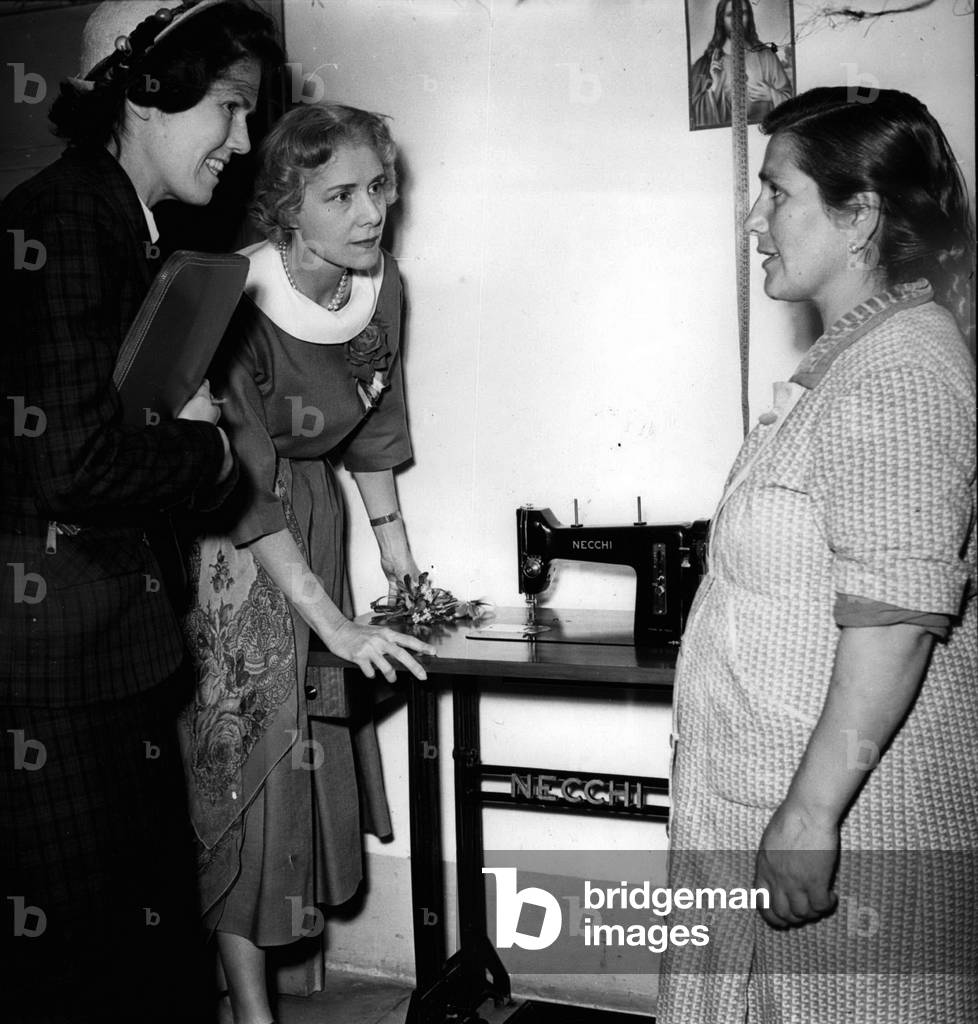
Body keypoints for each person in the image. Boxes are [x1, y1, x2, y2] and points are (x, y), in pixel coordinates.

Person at [658, 88, 976, 1021]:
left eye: (776, 193)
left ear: (860, 215)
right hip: (768, 792)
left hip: (853, 821)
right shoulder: (853, 358)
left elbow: (898, 624)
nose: (755, 219)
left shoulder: (906, 370)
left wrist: (810, 814)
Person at [0, 2, 282, 1022]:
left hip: (104, 659)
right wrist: (206, 445)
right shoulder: (69, 224)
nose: (242, 141)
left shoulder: (117, 222)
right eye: (226, 108)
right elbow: (73, 462)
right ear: (141, 95)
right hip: (57, 680)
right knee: (93, 971)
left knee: (143, 959)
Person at [180, 103, 434, 1024]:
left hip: (316, 518)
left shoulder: (383, 283)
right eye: (342, 195)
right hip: (234, 544)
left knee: (313, 737)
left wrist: (405, 570)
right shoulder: (232, 298)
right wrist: (330, 621)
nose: (372, 211)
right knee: (250, 764)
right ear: (289, 205)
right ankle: (252, 1014)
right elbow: (246, 483)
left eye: (380, 186)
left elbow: (378, 426)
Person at [689, 0, 792, 129]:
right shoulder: (706, 63)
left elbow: (790, 99)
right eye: (731, 15)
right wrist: (715, 87)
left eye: (742, 13)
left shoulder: (766, 56)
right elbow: (694, 112)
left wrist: (773, 95)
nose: (737, 20)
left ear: (749, 17)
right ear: (721, 20)